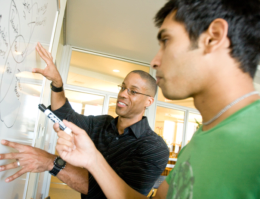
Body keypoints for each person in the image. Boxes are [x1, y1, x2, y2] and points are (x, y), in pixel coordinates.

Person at [55, 0, 260, 198]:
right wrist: (93, 160)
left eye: (166, 41)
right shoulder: (200, 139)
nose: (155, 61)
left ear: (213, 37)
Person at [0, 43, 170, 198]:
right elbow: (66, 116)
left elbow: (112, 193)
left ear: (149, 101)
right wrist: (57, 82)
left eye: (133, 91)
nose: (123, 93)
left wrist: (49, 162)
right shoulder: (102, 124)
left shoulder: (154, 147)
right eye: (123, 87)